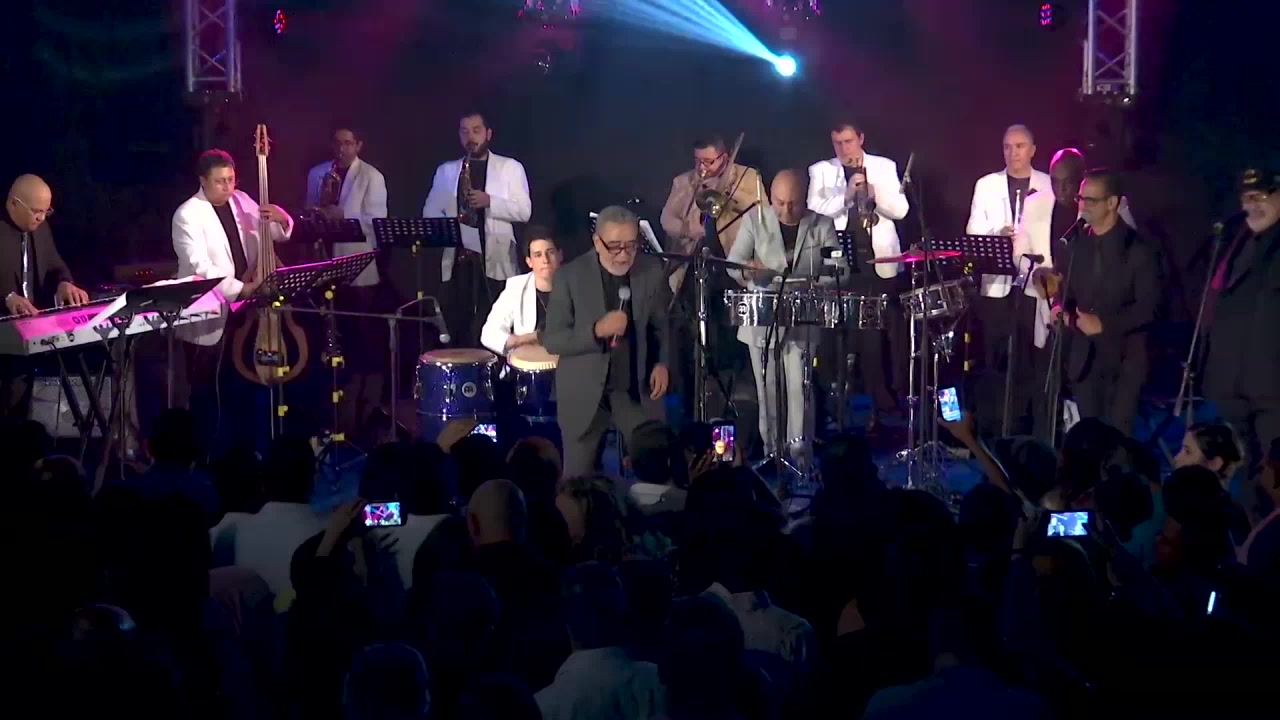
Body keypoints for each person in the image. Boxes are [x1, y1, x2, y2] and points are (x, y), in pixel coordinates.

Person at [542, 205, 671, 478]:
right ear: (597, 242)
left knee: (658, 468)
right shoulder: (569, 276)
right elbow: (553, 340)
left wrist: (662, 363)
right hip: (585, 392)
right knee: (577, 481)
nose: (624, 254)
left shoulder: (650, 270)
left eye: (631, 245)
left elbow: (662, 326)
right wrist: (596, 330)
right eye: (615, 246)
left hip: (634, 389)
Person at [728, 169, 838, 458]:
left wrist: (813, 281)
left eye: (793, 203)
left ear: (806, 198)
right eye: (779, 203)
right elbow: (733, 264)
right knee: (767, 391)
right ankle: (772, 453)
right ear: (770, 197)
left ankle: (800, 455)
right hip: (763, 319)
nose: (786, 210)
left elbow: (840, 270)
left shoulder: (822, 225)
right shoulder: (754, 220)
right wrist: (749, 272)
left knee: (800, 391)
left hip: (803, 318)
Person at [1049, 168, 1157, 434]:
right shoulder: (1076, 245)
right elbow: (1066, 291)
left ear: (1112, 203)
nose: (1083, 205)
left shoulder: (1138, 248)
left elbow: (1150, 308)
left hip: (1123, 362)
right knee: (1090, 435)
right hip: (1085, 360)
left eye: (1091, 200)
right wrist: (1059, 306)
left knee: (1117, 438)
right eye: (1080, 198)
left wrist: (1104, 324)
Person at [1204, 166, 1280, 517]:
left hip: (1272, 390)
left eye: (1261, 196)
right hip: (1234, 387)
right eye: (1247, 198)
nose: (1252, 205)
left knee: (1274, 478)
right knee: (1246, 483)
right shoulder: (1237, 242)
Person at [304, 127, 389, 435]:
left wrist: (342, 216)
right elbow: (309, 213)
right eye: (338, 142)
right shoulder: (318, 174)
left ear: (359, 145)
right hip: (324, 264)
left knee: (360, 339)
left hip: (357, 268)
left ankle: (361, 411)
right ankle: (333, 409)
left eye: (349, 143)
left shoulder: (371, 176)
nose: (343, 148)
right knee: (329, 338)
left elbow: (377, 222)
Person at [965, 126, 1052, 427]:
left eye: (1019, 146)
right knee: (997, 354)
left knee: (1031, 354)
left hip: (1034, 281)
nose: (1013, 153)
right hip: (997, 283)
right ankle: (997, 420)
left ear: (1033, 149)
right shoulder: (986, 184)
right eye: (1007, 147)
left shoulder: (1047, 184)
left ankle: (1029, 418)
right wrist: (998, 232)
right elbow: (973, 231)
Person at [423, 111, 531, 346]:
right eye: (464, 131)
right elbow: (430, 212)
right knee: (457, 328)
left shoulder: (510, 167)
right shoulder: (447, 171)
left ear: (488, 134)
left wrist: (490, 201)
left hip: (495, 261)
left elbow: (524, 211)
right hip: (458, 261)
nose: (470, 137)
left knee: (493, 326)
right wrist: (452, 221)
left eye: (476, 130)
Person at [1, 174, 90, 417]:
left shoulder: (40, 230)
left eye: (46, 211)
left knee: (19, 409)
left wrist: (64, 283)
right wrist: (7, 297)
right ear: (13, 204)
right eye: (35, 211)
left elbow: (54, 265)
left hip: (26, 336)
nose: (41, 218)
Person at [807, 120, 910, 278]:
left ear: (861, 139)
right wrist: (846, 197)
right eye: (838, 143)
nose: (844, 149)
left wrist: (875, 197)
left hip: (881, 255)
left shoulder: (884, 166)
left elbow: (901, 211)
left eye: (848, 141)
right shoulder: (820, 169)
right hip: (840, 254)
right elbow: (812, 212)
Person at [480, 227, 562, 356]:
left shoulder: (575, 284)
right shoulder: (516, 287)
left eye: (550, 252)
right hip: (527, 362)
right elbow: (489, 333)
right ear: (529, 262)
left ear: (560, 255)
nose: (545, 260)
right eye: (538, 255)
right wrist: (526, 339)